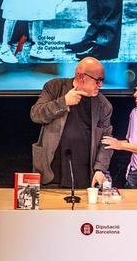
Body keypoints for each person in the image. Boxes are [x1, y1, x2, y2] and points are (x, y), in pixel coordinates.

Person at [30, 57, 113, 188]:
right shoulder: (55, 87)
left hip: (83, 176)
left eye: (102, 80)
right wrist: (63, 102)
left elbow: (106, 141)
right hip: (52, 171)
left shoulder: (103, 105)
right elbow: (36, 114)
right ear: (80, 76)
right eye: (97, 80)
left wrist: (100, 169)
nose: (100, 85)